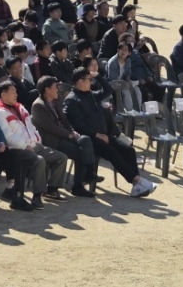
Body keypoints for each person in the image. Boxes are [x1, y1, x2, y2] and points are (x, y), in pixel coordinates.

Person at [64, 67, 155, 196]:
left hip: (103, 135)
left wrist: (98, 76)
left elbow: (109, 90)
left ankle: (136, 186)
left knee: (128, 150)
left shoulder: (90, 95)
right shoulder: (72, 100)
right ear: (80, 82)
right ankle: (136, 180)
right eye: (89, 80)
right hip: (89, 139)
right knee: (112, 153)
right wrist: (97, 135)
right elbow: (78, 125)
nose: (91, 82)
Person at [0, 80, 68, 205]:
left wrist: (37, 139)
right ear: (3, 95)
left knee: (61, 157)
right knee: (39, 160)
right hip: (17, 148)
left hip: (34, 145)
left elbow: (32, 127)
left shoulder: (20, 107)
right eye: (13, 92)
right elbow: (7, 136)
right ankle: (37, 195)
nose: (16, 95)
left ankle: (52, 190)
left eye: (16, 92)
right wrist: (24, 146)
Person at [31, 76, 97, 196]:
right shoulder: (38, 106)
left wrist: (72, 131)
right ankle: (78, 185)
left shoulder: (55, 101)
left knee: (85, 140)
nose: (58, 89)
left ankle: (89, 173)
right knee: (79, 152)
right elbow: (50, 127)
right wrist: (69, 135)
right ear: (47, 90)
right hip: (51, 141)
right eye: (55, 87)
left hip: (64, 136)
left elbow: (65, 120)